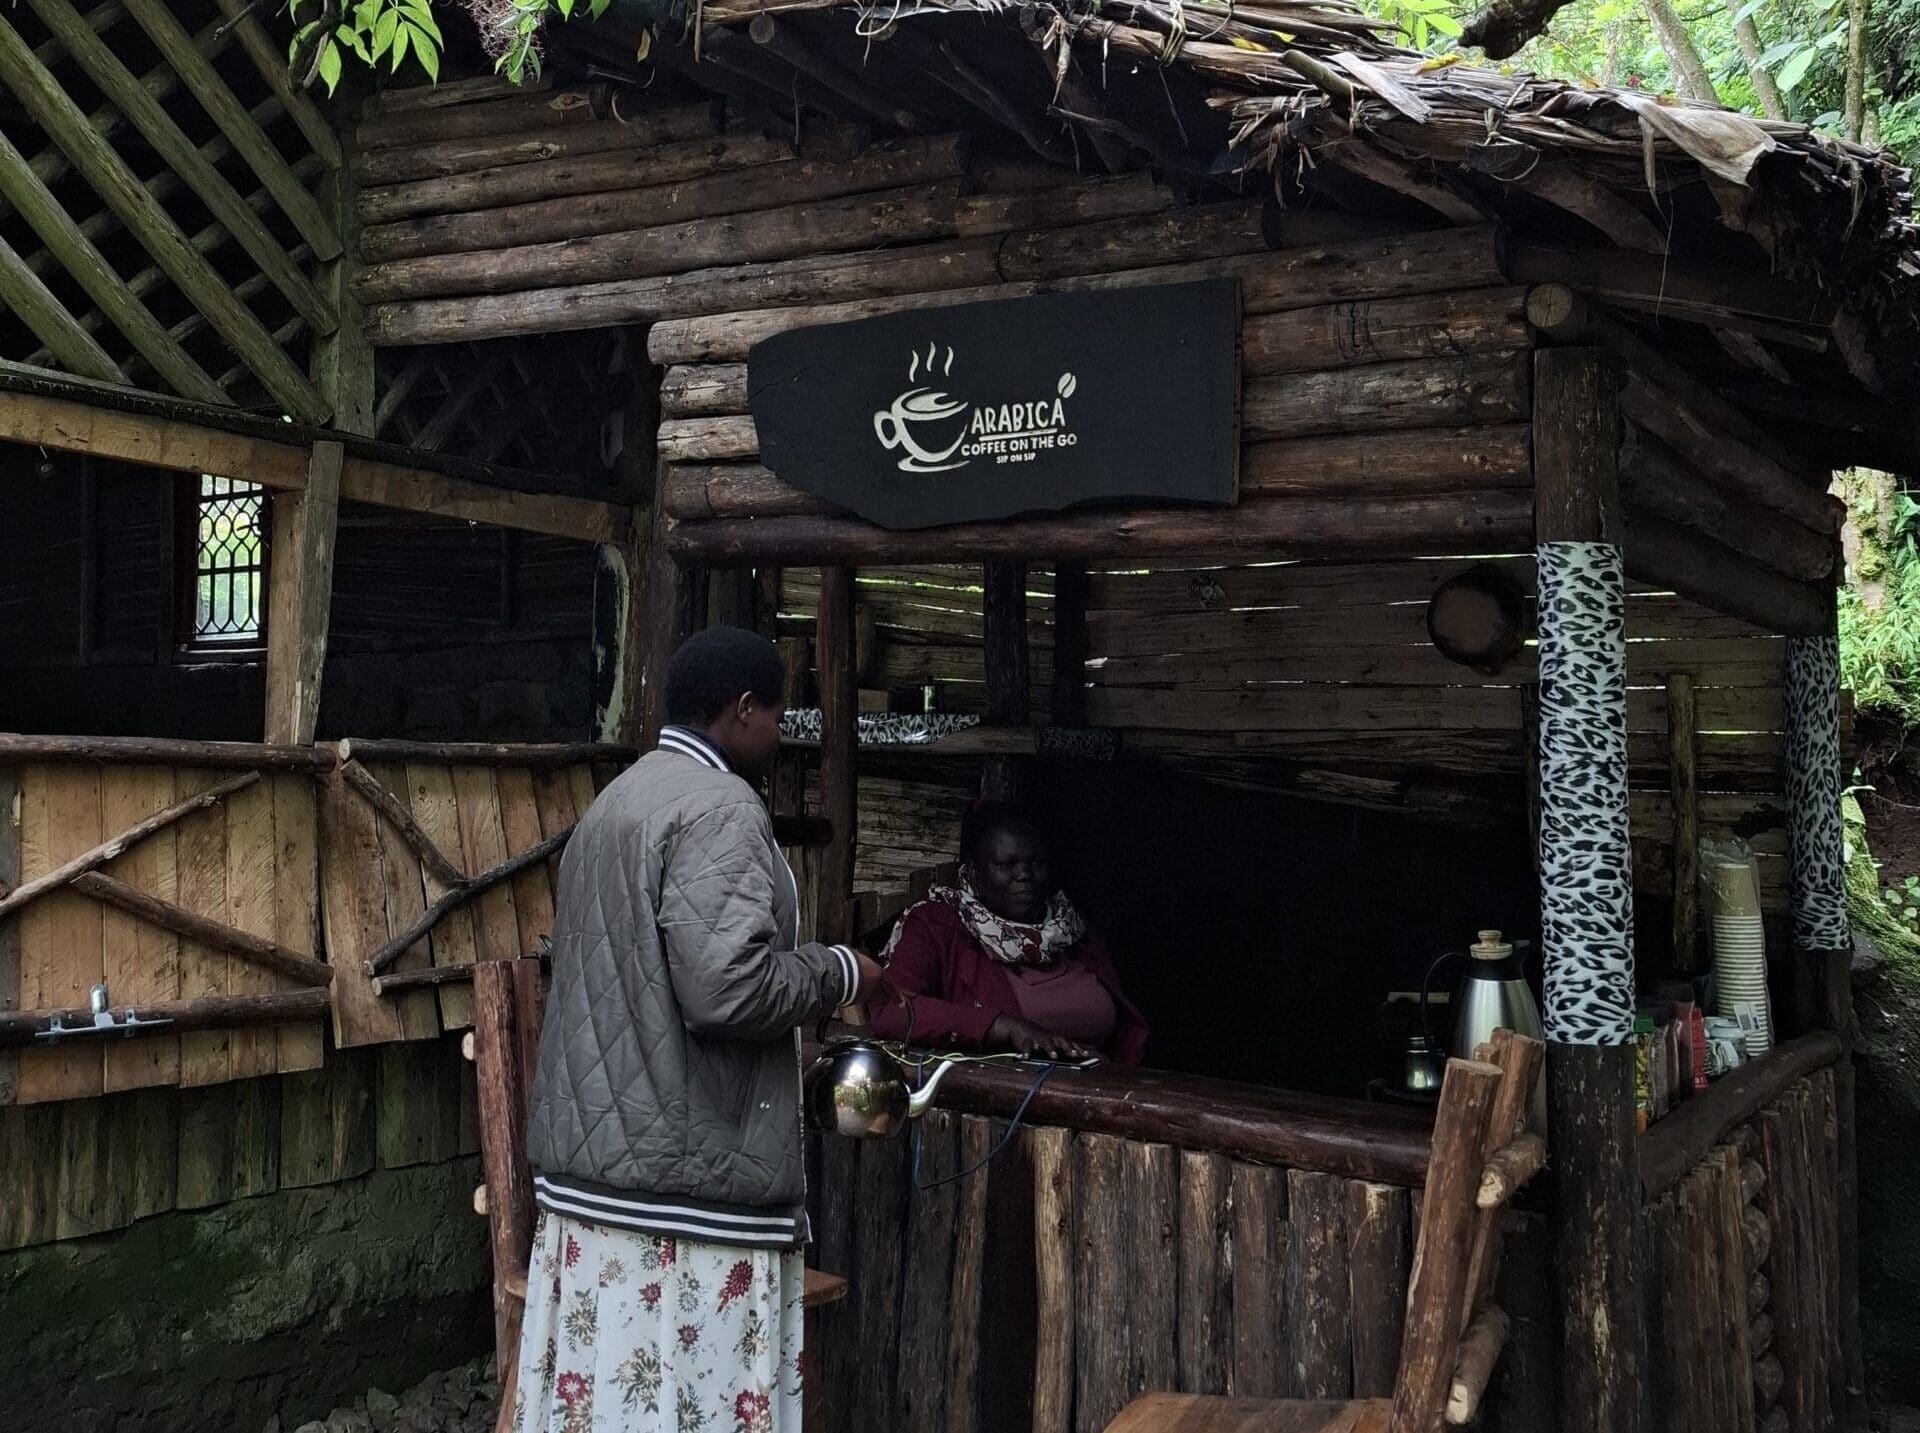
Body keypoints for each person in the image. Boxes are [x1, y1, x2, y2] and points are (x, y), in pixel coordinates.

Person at [514, 626, 883, 1433]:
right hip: (682, 1202)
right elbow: (728, 988)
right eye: (777, 713)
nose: (780, 733)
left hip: (596, 1183)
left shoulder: (619, 800)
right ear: (744, 709)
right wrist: (839, 970)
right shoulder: (720, 807)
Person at [867, 801, 1147, 1065]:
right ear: (974, 874)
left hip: (1102, 1093)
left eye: (1037, 863)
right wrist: (1001, 1026)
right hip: (997, 1100)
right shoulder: (940, 925)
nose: (1025, 874)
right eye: (1007, 864)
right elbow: (891, 1011)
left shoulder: (1071, 930)